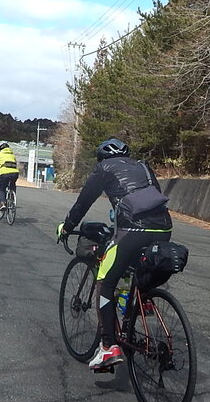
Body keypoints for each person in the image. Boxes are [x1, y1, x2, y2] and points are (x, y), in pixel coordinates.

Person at [55, 138, 172, 370]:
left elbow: (83, 202)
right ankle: (139, 303)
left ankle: (108, 346)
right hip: (164, 228)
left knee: (105, 282)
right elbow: (151, 199)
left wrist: (67, 227)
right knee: (135, 268)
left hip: (132, 231)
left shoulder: (104, 168)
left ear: (101, 157)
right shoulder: (143, 166)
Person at [0, 142, 19, 209]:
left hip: (4, 173)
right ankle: (12, 200)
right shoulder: (13, 156)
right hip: (15, 173)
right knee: (12, 185)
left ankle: (3, 203)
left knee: (1, 188)